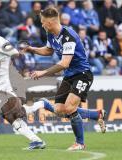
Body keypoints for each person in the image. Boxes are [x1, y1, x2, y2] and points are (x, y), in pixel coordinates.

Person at [21, 7, 106, 151]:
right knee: (60, 110)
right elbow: (49, 50)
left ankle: (80, 143)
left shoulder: (68, 36)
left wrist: (43, 73)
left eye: (43, 22)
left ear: (50, 22)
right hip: (69, 75)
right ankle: (96, 114)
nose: (41, 24)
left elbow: (64, 63)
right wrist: (32, 49)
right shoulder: (50, 33)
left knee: (70, 107)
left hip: (82, 74)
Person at [0, 17, 46, 150]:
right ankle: (36, 141)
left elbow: (14, 53)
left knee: (14, 112)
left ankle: (42, 104)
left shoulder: (0, 41)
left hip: (8, 82)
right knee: (10, 116)